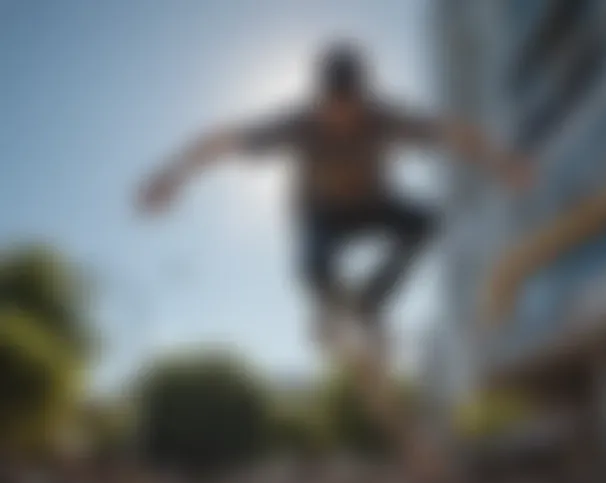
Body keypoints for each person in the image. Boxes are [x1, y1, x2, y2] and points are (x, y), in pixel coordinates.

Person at [136, 42, 532, 349]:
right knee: (312, 262)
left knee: (427, 223)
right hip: (321, 215)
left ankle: (370, 305)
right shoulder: (296, 122)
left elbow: (451, 132)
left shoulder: (383, 116)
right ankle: (328, 306)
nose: (342, 120)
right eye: (333, 110)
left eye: (351, 110)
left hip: (374, 205)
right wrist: (173, 175)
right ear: (320, 99)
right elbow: (222, 141)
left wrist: (500, 163)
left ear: (362, 98)